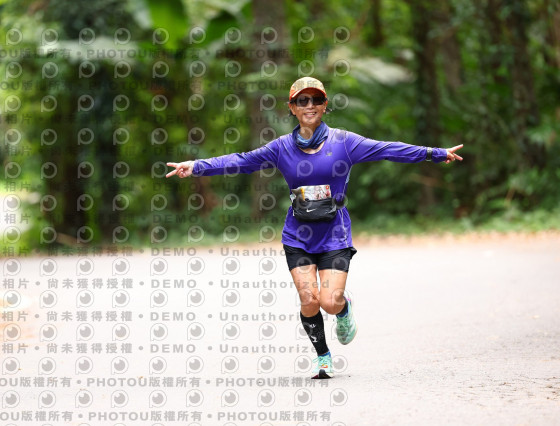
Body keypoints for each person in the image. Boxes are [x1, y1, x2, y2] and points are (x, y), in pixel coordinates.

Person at [166, 77, 463, 379]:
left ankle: (343, 309)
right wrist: (197, 166)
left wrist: (435, 153)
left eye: (316, 100)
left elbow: (387, 149)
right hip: (298, 235)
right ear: (292, 108)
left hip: (334, 234)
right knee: (309, 299)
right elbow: (243, 161)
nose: (309, 105)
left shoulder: (344, 142)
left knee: (329, 302)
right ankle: (323, 356)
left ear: (324, 105)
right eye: (302, 101)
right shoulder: (281, 148)